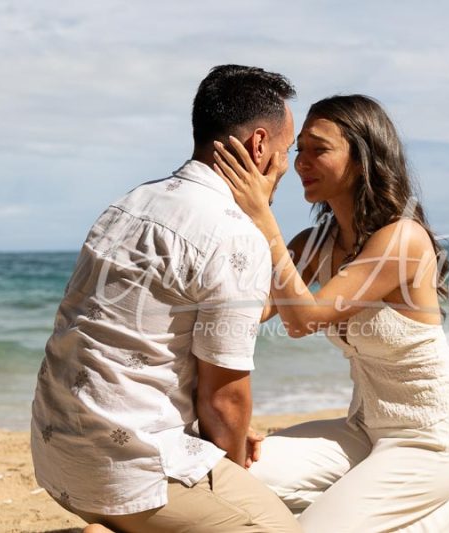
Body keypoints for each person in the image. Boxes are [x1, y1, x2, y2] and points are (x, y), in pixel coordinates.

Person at [30, 65, 301, 533]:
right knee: (273, 526)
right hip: (124, 475)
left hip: (57, 456)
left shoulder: (127, 205)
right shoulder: (233, 235)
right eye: (285, 153)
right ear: (260, 146)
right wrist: (225, 469)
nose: (285, 170)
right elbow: (224, 401)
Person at [213, 94, 449, 532]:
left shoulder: (403, 239)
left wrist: (263, 215)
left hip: (427, 443)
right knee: (224, 482)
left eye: (318, 149)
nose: (301, 161)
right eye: (298, 149)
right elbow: (249, 312)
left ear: (362, 160)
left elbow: (303, 319)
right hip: (361, 431)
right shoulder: (314, 243)